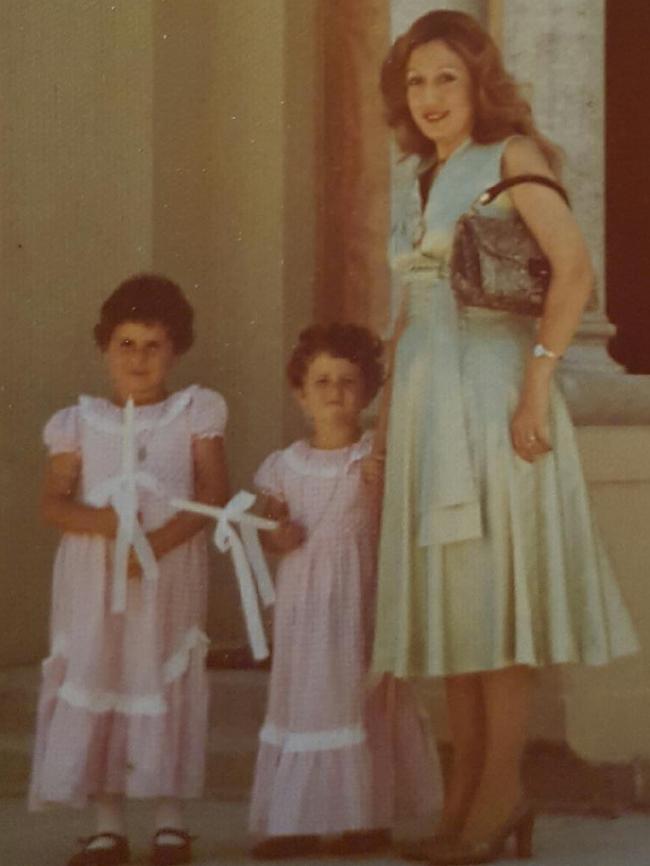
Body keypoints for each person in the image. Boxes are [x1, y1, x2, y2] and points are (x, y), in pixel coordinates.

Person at [367, 10, 640, 865]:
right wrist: (383, 425)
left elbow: (575, 269)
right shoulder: (418, 175)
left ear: (479, 82)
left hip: (492, 404)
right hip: (422, 408)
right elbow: (410, 309)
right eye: (416, 80)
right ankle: (460, 802)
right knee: (452, 611)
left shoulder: (511, 156)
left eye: (447, 77)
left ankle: (502, 795)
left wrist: (536, 385)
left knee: (493, 604)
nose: (431, 96)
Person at [29, 274, 230, 866]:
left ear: (175, 350)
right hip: (94, 581)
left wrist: (156, 544)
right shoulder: (79, 422)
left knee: (159, 679)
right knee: (103, 676)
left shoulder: (194, 412)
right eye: (127, 344)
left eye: (154, 345)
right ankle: (107, 825)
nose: (139, 358)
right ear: (104, 348)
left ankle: (170, 822)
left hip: (167, 575)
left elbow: (213, 492)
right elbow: (53, 505)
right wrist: (108, 527)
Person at [248, 323, 440, 860]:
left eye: (349, 381)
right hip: (305, 605)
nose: (334, 392)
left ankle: (367, 816)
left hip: (359, 597)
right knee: (309, 698)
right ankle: (297, 821)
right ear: (300, 392)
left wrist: (386, 487)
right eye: (322, 380)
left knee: (362, 699)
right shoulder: (284, 466)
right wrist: (277, 535)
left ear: (370, 392)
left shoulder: (372, 461)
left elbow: (394, 530)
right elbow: (270, 527)